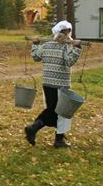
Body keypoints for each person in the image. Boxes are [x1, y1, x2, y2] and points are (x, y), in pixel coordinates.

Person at [25, 20, 82, 148]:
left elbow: (35, 56)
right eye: (64, 31)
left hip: (47, 83)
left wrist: (35, 44)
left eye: (67, 32)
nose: (66, 34)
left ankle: (36, 129)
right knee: (62, 112)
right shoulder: (66, 46)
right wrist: (77, 48)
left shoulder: (46, 45)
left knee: (53, 110)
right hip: (61, 85)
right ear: (58, 32)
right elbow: (69, 61)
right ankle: (56, 139)